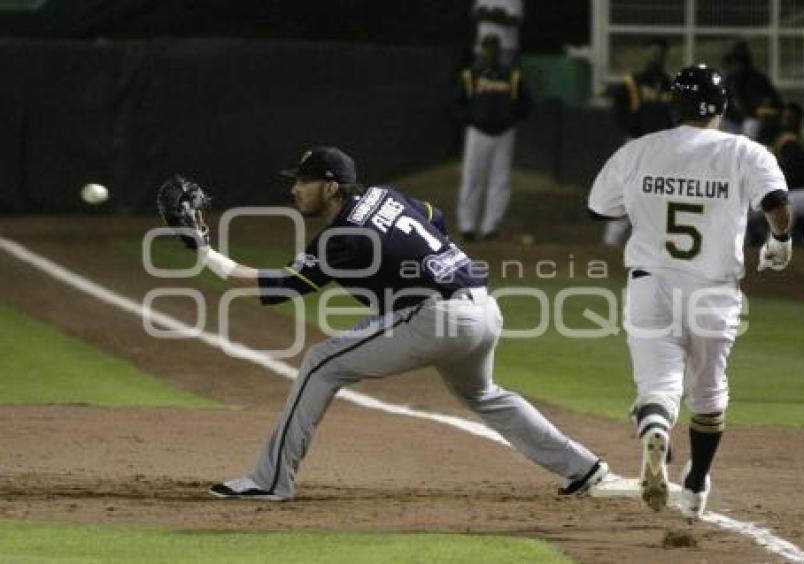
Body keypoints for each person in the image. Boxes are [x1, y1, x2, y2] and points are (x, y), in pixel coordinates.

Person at [158, 146, 608, 501]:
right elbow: (435, 218)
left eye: (305, 181)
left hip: (440, 317)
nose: (295, 189)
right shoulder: (386, 196)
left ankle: (271, 480)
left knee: (320, 363)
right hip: (484, 308)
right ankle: (583, 467)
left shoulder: (342, 236)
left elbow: (279, 288)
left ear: (332, 188)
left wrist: (203, 253)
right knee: (483, 394)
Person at [587, 66, 793, 519]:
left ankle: (655, 433)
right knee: (709, 394)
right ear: (722, 108)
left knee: (657, 387)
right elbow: (777, 205)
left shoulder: (638, 150)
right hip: (714, 291)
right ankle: (696, 484)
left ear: (672, 105)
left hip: (651, 284)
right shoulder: (746, 152)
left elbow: (598, 208)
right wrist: (780, 241)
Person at [455, 34, 531, 242]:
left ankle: (491, 226)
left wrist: (512, 118)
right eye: (487, 48)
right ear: (482, 50)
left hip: (505, 133)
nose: (491, 52)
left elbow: (525, 102)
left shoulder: (512, 76)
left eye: (494, 48)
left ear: (500, 51)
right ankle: (467, 226)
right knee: (472, 178)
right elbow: (458, 102)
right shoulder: (470, 75)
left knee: (500, 180)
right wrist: (470, 119)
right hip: (477, 132)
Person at [606, 37, 675, 246]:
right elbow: (619, 110)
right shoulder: (633, 82)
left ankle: (655, 244)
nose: (656, 57)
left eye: (660, 53)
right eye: (653, 52)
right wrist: (630, 129)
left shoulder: (669, 84)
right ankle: (611, 240)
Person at [722, 41, 783, 141]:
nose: (735, 66)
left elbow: (770, 103)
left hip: (755, 120)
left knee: (749, 126)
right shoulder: (729, 81)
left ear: (746, 63)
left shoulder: (757, 79)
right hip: (735, 120)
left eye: (738, 62)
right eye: (732, 62)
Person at [471, 0, 524, 65]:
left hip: (505, 47)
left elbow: (515, 21)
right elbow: (474, 15)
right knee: (481, 74)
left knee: (504, 74)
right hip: (483, 47)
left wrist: (489, 15)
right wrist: (496, 15)